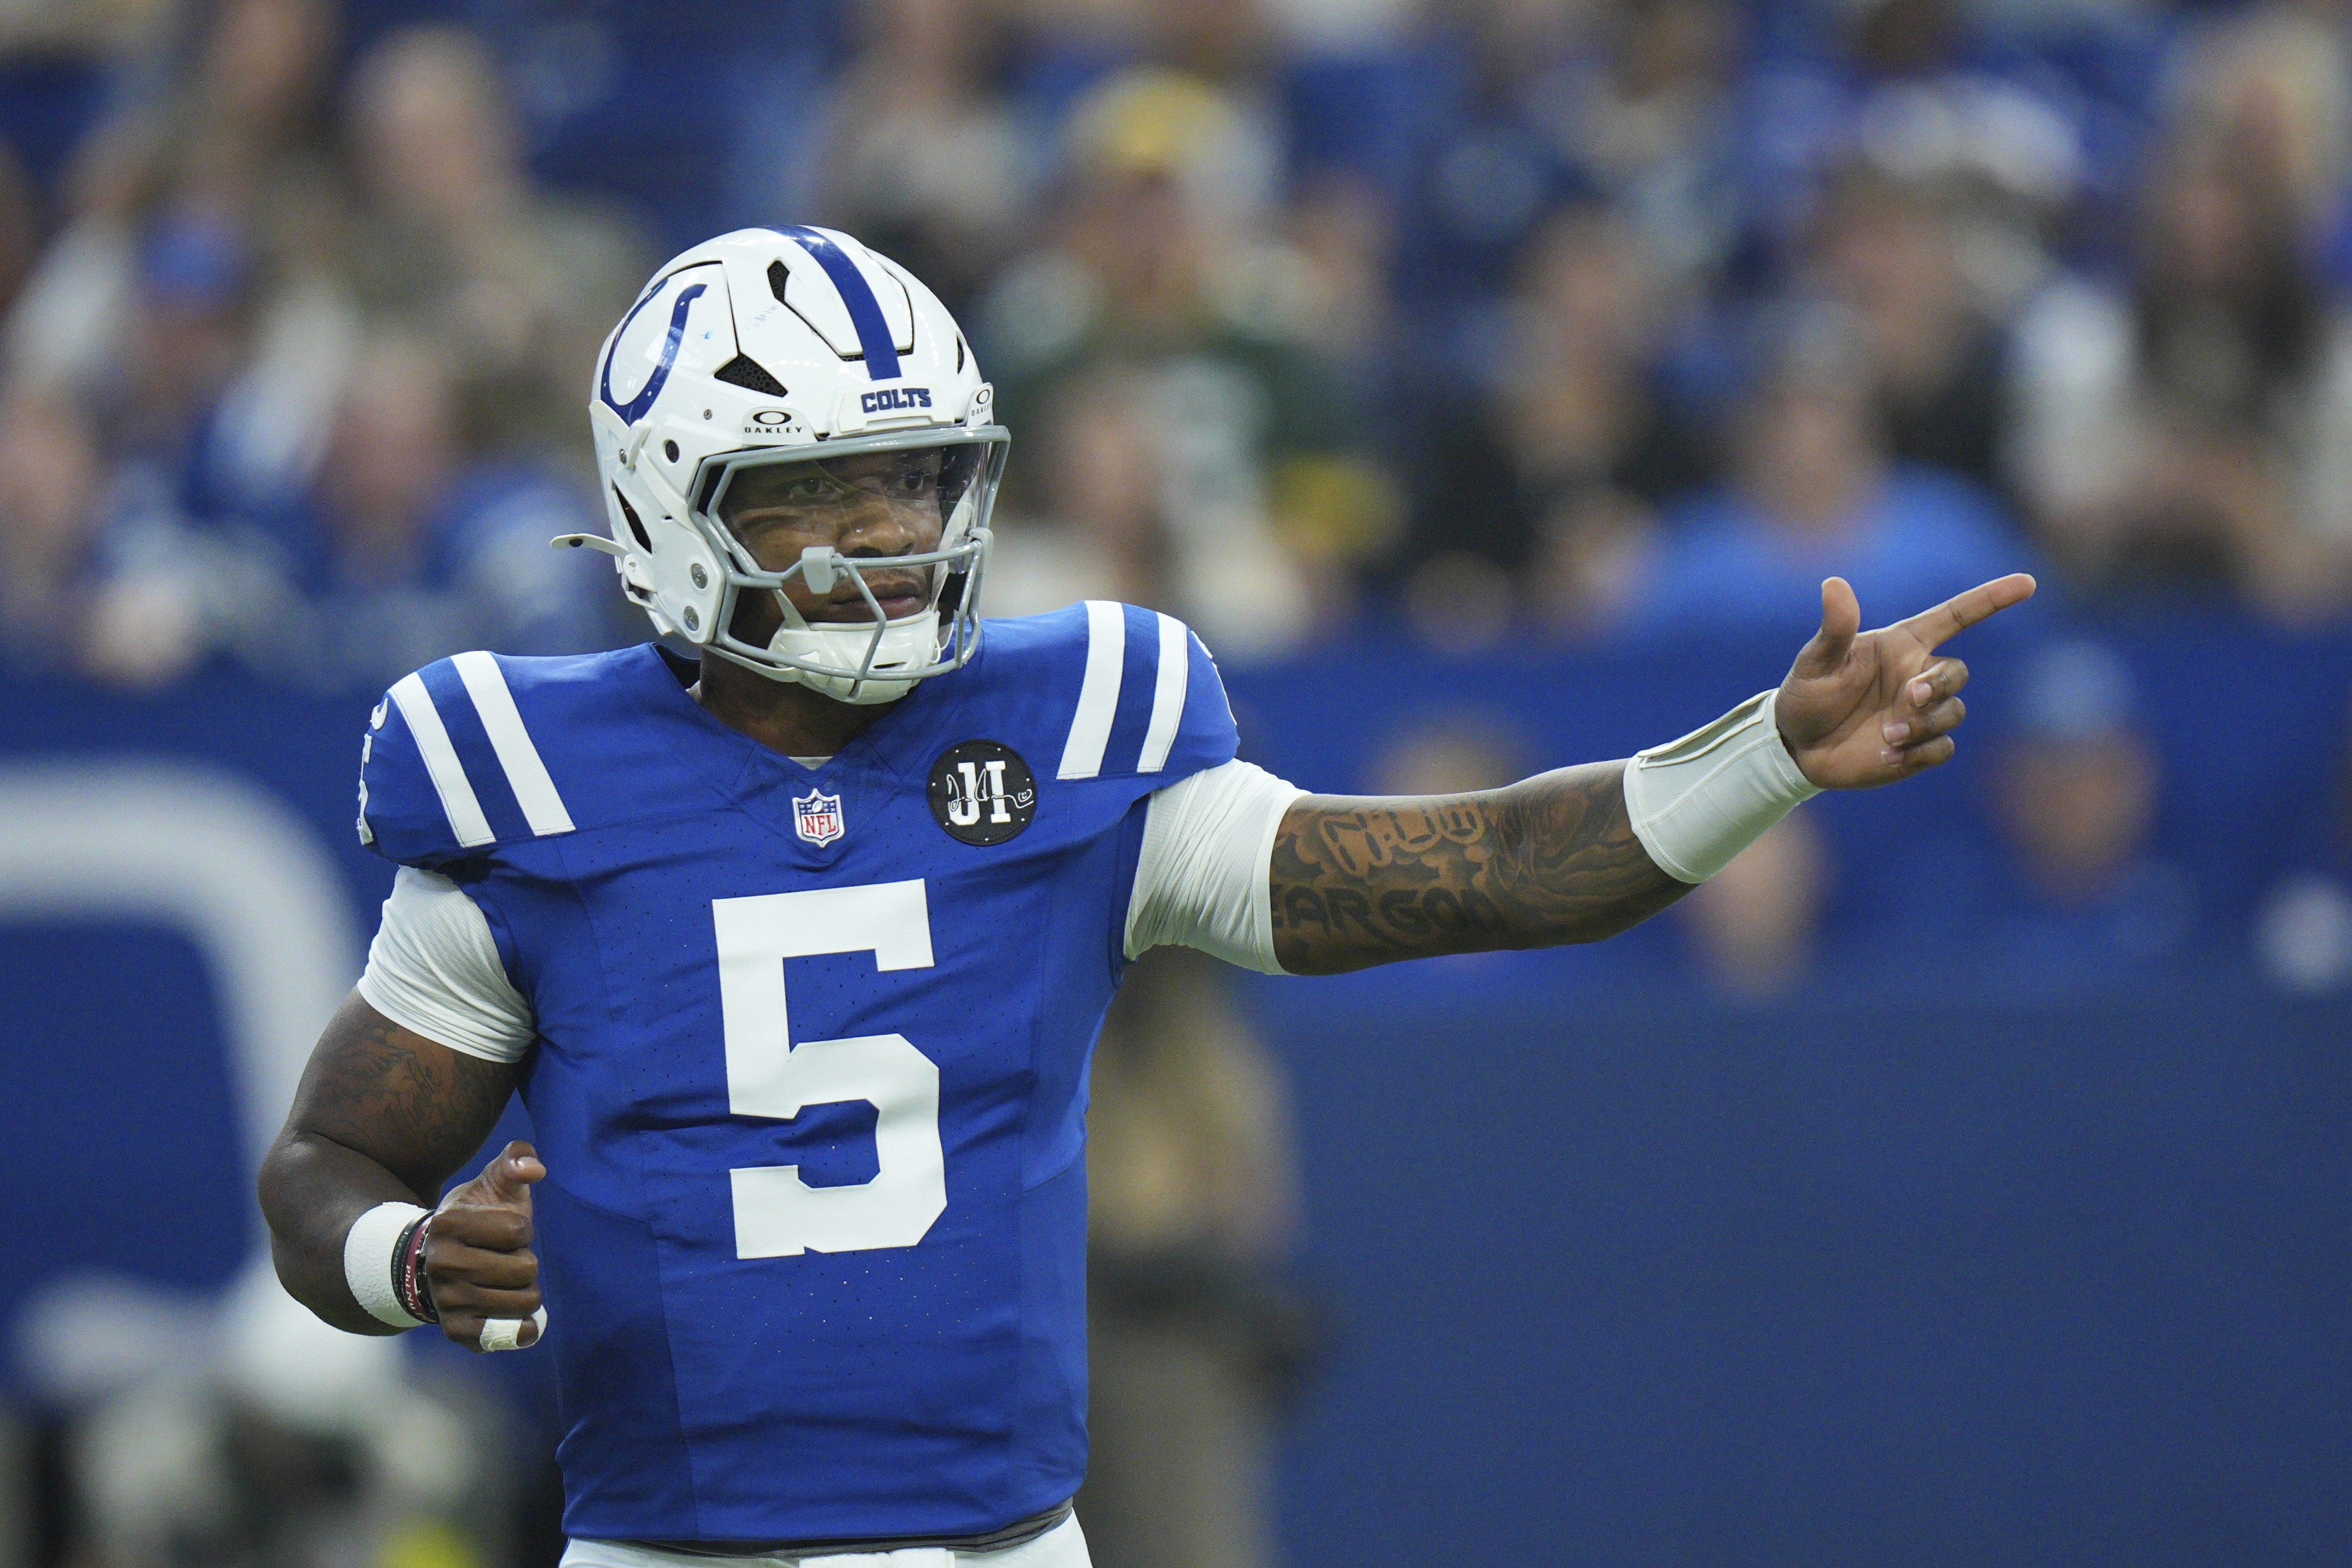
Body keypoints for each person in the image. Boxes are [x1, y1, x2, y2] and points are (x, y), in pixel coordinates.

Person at [257, 227, 2034, 1565]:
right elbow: (323, 1164)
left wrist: (1767, 758)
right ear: (667, 509)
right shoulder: (530, 777)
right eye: (818, 497)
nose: (888, 538)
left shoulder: (1082, 732)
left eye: (917, 480)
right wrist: (404, 1259)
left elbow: (1491, 868)